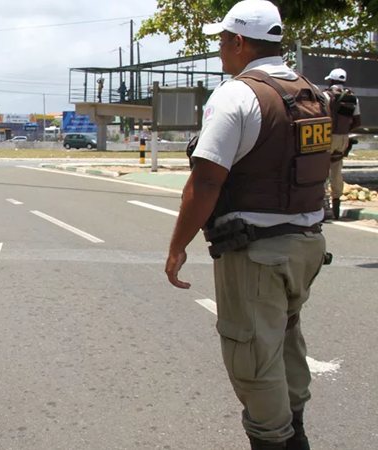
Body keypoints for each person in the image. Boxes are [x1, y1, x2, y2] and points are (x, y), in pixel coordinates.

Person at [165, 1, 329, 449]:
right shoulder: (309, 91)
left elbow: (206, 180)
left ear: (239, 42)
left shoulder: (236, 95)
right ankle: (294, 427)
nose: (219, 49)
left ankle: (278, 440)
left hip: (258, 255)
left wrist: (177, 247)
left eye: (221, 40)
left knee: (253, 359)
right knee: (286, 339)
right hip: (307, 246)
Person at [322, 68, 361, 220]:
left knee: (323, 170)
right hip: (343, 138)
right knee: (337, 170)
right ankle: (336, 204)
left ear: (331, 81)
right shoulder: (353, 98)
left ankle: (325, 207)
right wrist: (344, 131)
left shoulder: (326, 96)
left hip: (327, 137)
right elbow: (357, 121)